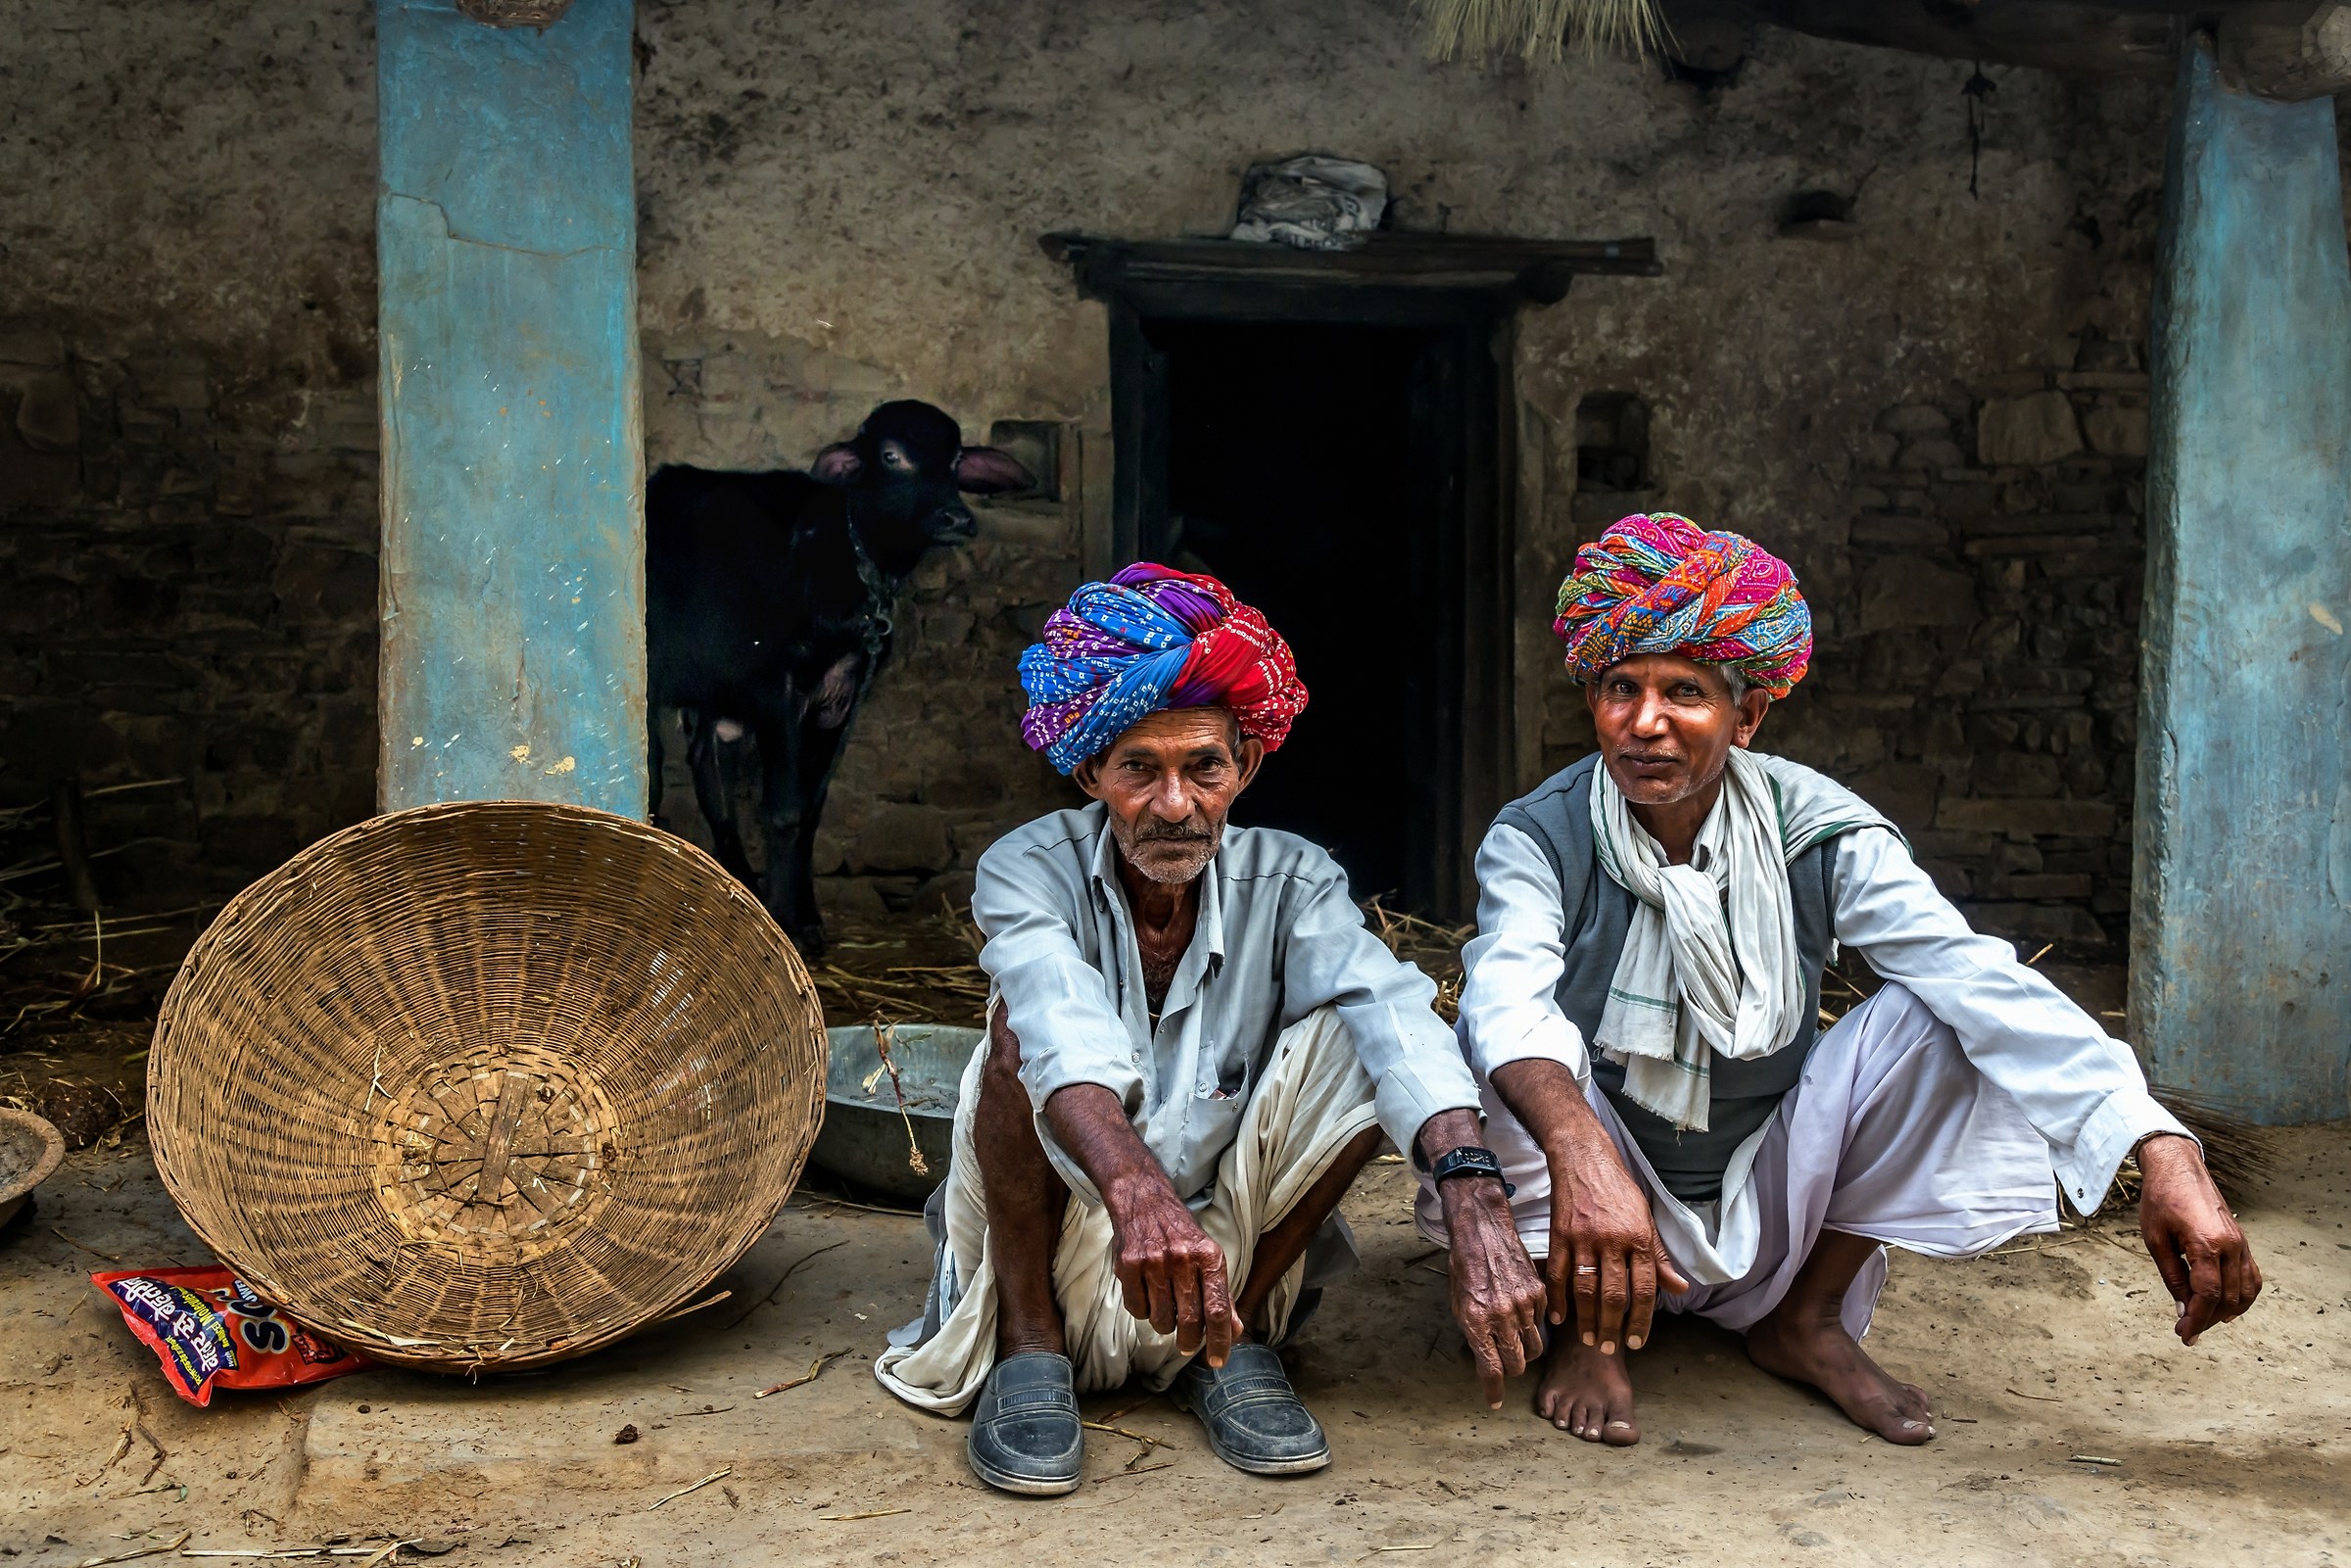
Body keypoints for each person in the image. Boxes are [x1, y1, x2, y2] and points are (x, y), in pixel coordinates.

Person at [1419, 512, 2261, 1448]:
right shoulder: (1537, 835)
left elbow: (1973, 974)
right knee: (1502, 1049)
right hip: (1595, 1190)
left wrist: (2159, 1144)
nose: (1645, 722)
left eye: (1685, 692)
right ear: (1593, 697)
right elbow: (1506, 1000)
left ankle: (1806, 1317)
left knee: (1945, 1016)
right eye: (1622, 686)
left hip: (1770, 1181)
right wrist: (1581, 1152)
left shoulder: (1821, 830)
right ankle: (1593, 1327)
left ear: (1750, 715)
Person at [874, 562, 1546, 1495]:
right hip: (1069, 1227)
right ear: (1089, 771)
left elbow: (1393, 1013)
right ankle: (1031, 1348)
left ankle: (1227, 1346)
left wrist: (1473, 1192)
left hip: (1219, 1247)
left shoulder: (1294, 879)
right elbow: (1061, 1020)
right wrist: (1137, 1188)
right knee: (1018, 1036)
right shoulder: (1026, 869)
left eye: (1205, 768)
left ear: (1247, 768)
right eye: (1139, 769)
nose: (1176, 805)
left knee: (1366, 1034)